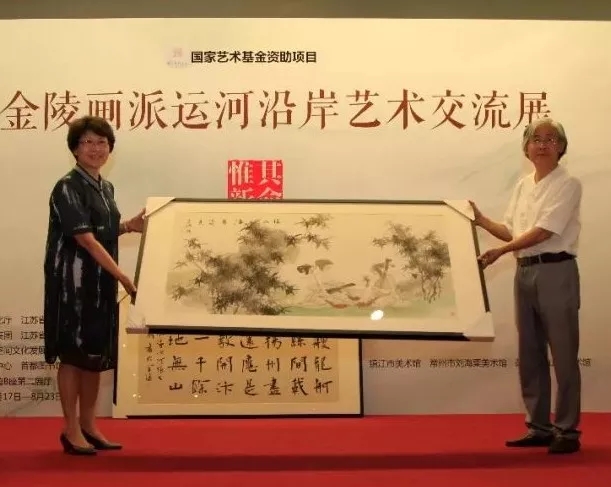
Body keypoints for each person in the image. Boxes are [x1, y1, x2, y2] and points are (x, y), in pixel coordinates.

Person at [471, 118, 582, 455]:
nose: (543, 144)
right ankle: (539, 427)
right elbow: (513, 231)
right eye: (536, 138)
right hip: (524, 272)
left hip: (556, 271)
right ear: (526, 147)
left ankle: (567, 430)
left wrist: (502, 251)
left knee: (563, 354)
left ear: (561, 147)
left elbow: (544, 231)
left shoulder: (569, 184)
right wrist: (481, 221)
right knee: (530, 352)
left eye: (551, 139)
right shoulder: (523, 185)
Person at [43, 115, 145, 455]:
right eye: (87, 142)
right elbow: (85, 239)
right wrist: (123, 276)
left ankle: (89, 425)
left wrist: (128, 226)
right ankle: (71, 429)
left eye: (102, 142)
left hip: (99, 284)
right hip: (72, 284)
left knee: (94, 354)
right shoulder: (67, 186)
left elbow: (102, 230)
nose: (96, 148)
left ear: (110, 148)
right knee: (73, 356)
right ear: (75, 149)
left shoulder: (105, 187)